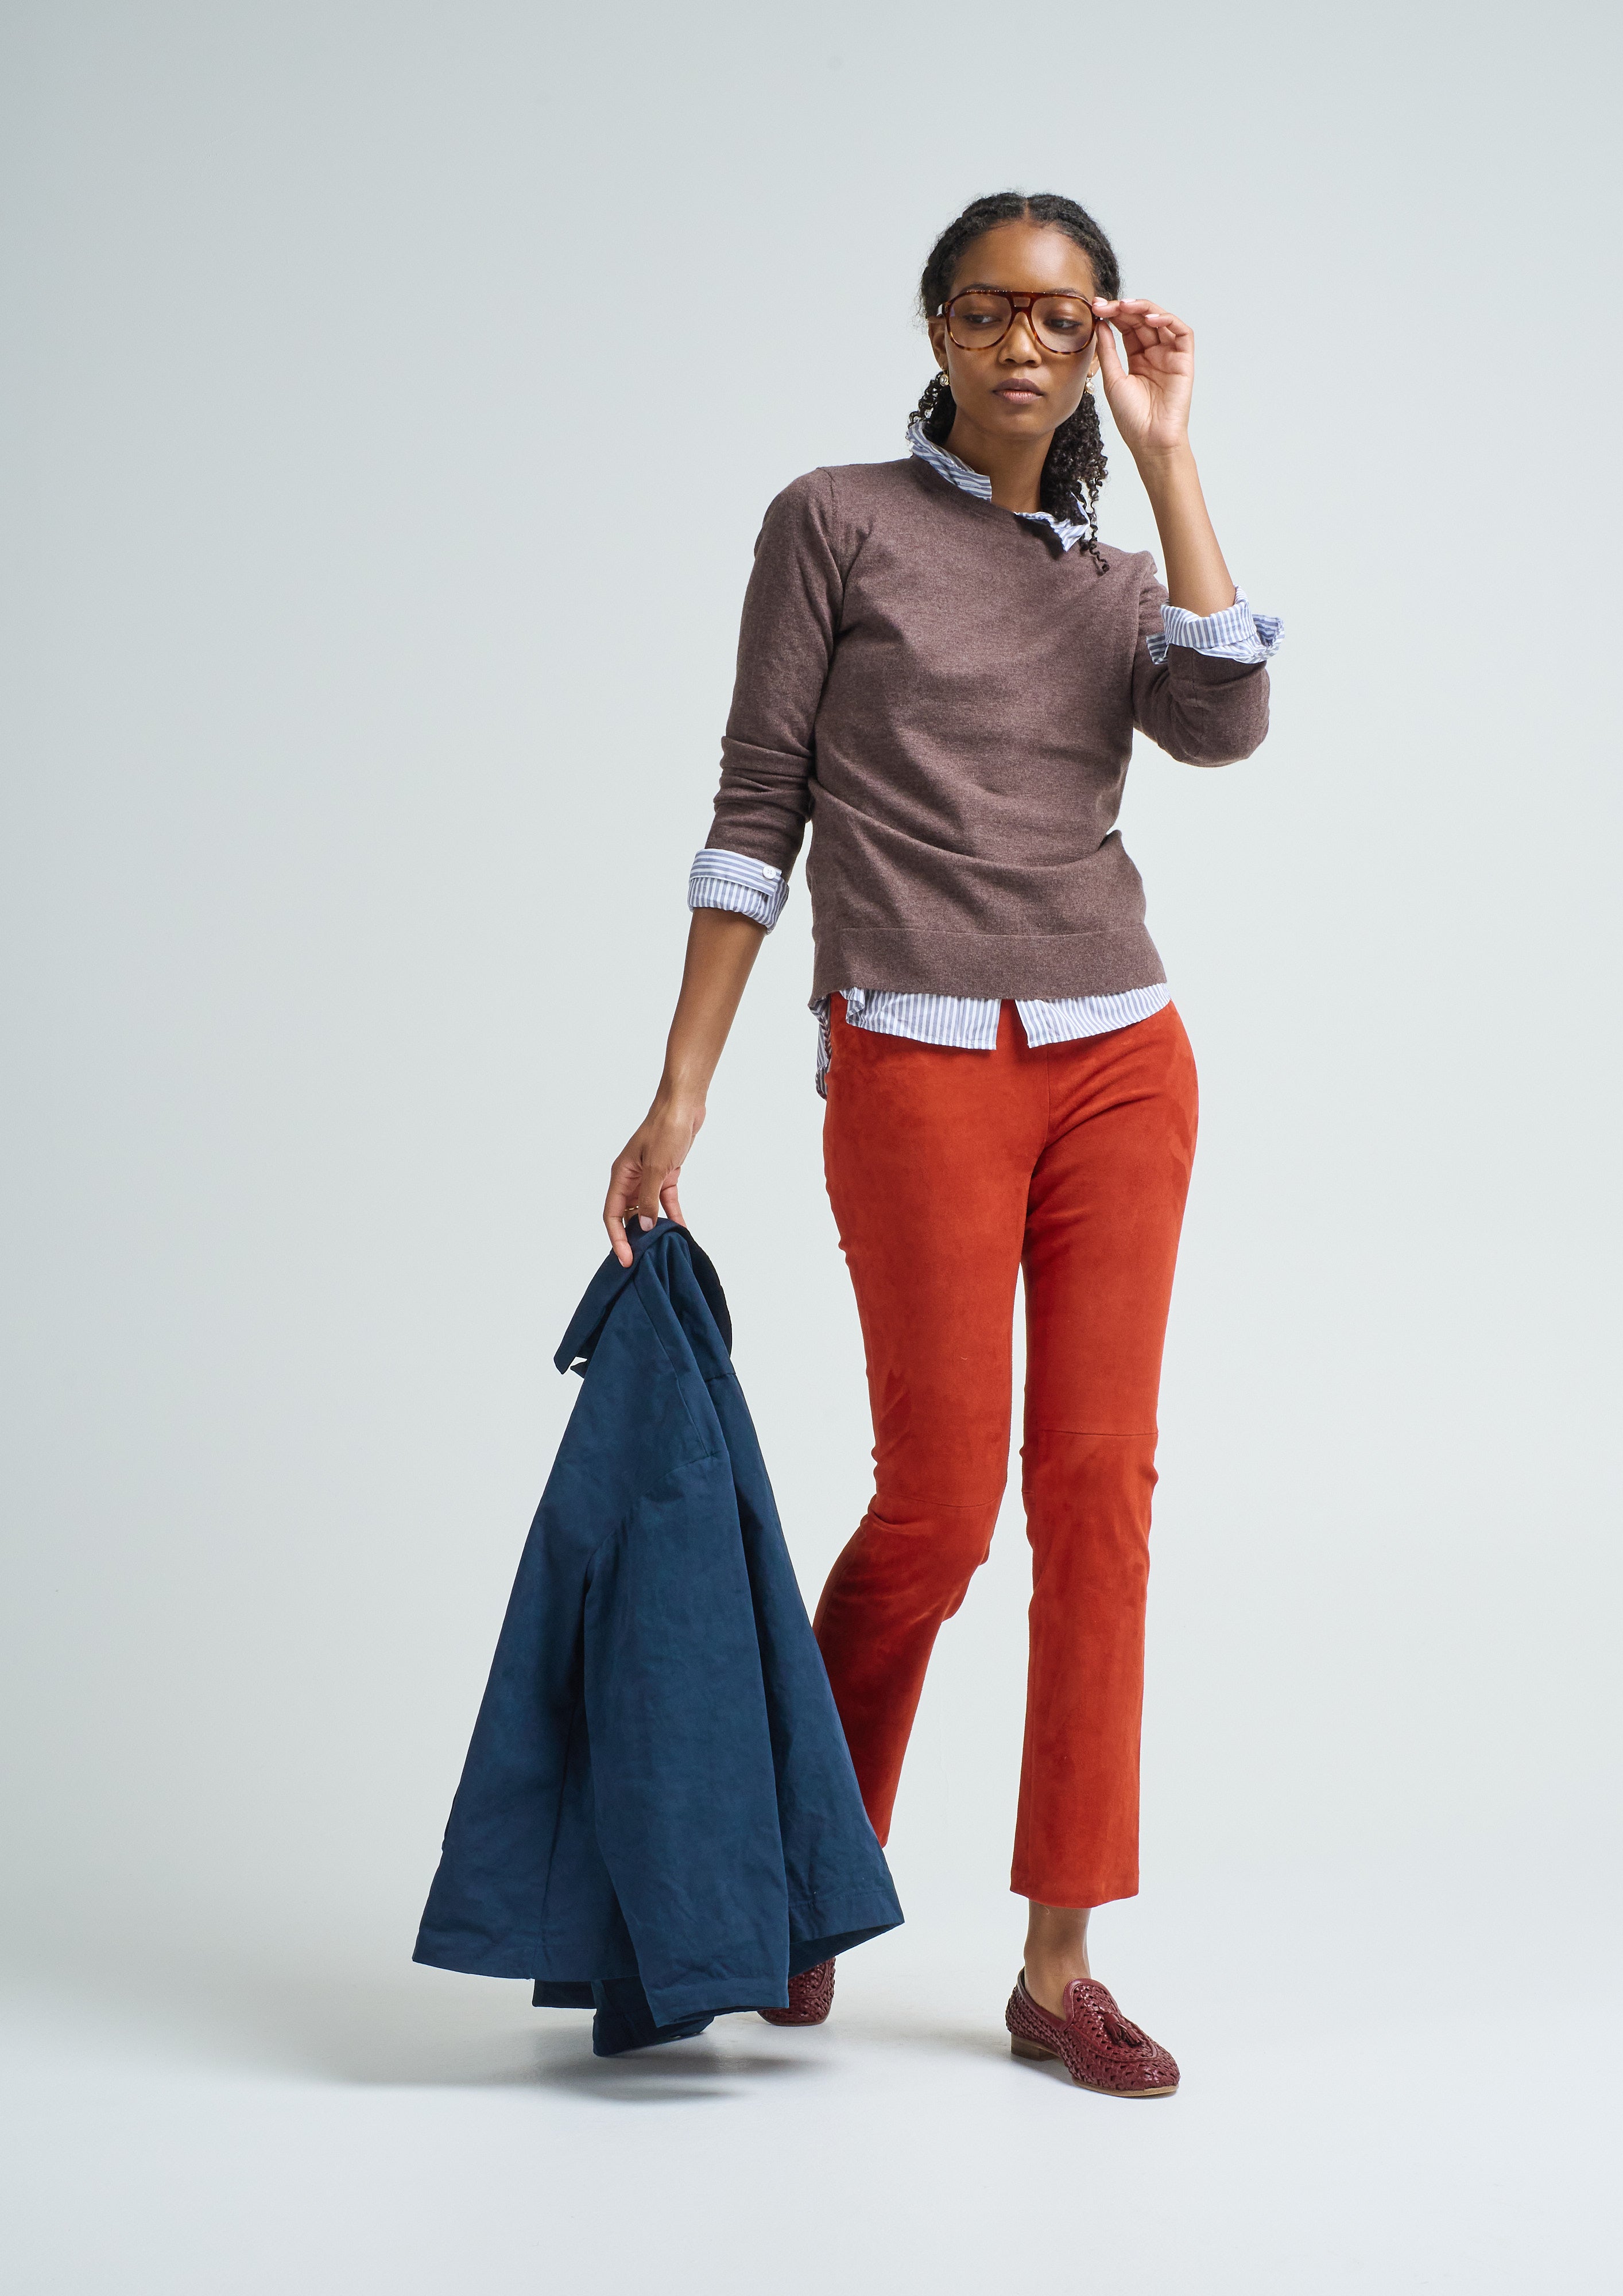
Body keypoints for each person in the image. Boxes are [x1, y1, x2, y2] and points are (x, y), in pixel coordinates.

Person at [603, 191, 1280, 2098]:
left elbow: (1225, 726)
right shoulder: (833, 521)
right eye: (988, 311)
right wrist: (682, 1087)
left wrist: (1171, 456)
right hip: (913, 1059)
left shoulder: (1116, 577)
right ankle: (801, 1880)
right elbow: (759, 802)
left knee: (1101, 1495)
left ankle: (1062, 1965)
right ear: (935, 327)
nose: (1021, 346)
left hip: (1120, 1061)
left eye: (1061, 319)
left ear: (1100, 340)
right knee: (938, 1508)